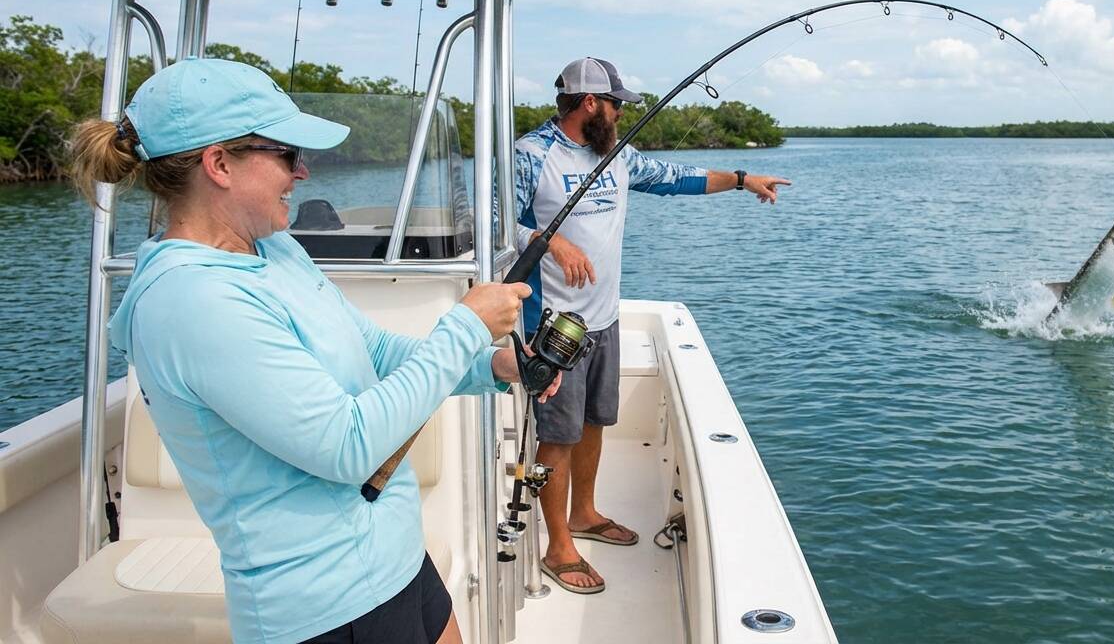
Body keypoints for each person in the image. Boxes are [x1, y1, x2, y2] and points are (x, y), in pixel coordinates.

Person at [69, 58, 555, 644]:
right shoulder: (190, 300)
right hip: (328, 607)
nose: (302, 172)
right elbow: (347, 447)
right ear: (218, 163)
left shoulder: (272, 250)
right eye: (286, 153)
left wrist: (491, 366)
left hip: (396, 561)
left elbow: (369, 349)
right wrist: (466, 327)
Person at [513, 57, 791, 593]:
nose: (620, 114)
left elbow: (676, 178)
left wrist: (740, 179)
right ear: (590, 103)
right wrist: (552, 238)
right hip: (550, 325)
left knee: (595, 422)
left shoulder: (615, 154)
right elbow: (496, 218)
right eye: (616, 104)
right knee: (557, 437)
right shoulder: (532, 153)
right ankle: (557, 548)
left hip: (604, 318)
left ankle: (585, 514)